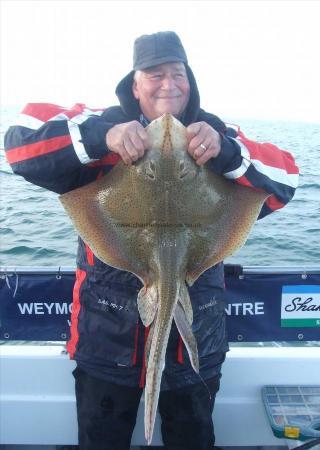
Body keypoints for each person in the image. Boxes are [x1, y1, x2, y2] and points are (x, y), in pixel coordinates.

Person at [4, 31, 299, 450]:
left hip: (197, 331)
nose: (168, 84)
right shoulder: (99, 124)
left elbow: (287, 178)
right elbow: (19, 142)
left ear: (190, 79)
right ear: (134, 83)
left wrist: (228, 154)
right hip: (106, 340)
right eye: (154, 74)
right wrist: (100, 139)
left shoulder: (217, 134)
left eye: (177, 73)